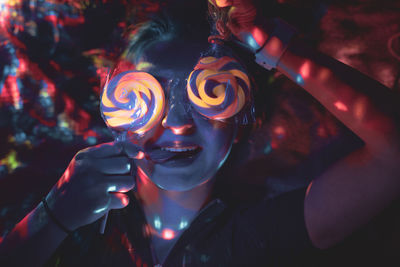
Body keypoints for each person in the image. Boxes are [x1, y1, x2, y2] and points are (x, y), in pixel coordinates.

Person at [1, 0, 400, 266]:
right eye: (149, 92)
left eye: (211, 93)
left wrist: (275, 46)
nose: (177, 123)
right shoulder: (65, 220)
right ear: (114, 108)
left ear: (245, 121)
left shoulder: (261, 240)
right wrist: (52, 219)